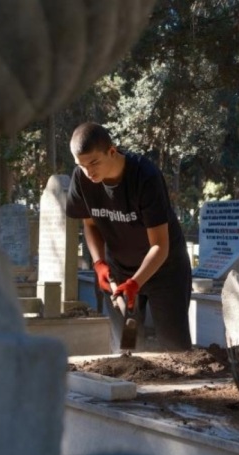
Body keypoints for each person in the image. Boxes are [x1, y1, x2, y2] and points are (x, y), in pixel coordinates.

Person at [66, 122, 192, 353]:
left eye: (94, 162)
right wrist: (99, 263)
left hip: (165, 269)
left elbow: (160, 246)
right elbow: (90, 223)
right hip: (119, 270)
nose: (88, 172)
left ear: (112, 151)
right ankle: (132, 386)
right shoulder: (82, 178)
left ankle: (179, 389)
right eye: (81, 165)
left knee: (174, 347)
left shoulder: (145, 176)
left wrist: (136, 282)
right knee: (128, 345)